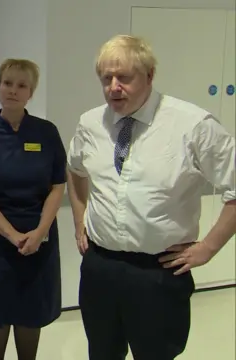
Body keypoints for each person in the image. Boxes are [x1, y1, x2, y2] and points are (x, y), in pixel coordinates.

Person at [67, 34, 236, 360]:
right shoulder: (91, 123)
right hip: (100, 267)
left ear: (150, 75)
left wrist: (208, 248)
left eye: (124, 77)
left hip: (158, 273)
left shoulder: (193, 126)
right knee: (101, 352)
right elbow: (75, 170)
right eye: (106, 78)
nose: (113, 87)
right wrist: (79, 220)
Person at [0, 58, 66, 360]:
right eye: (8, 83)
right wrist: (12, 235)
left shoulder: (46, 133)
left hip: (38, 239)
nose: (13, 90)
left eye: (21, 85)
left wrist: (39, 232)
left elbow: (57, 186)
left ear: (31, 92)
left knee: (30, 311)